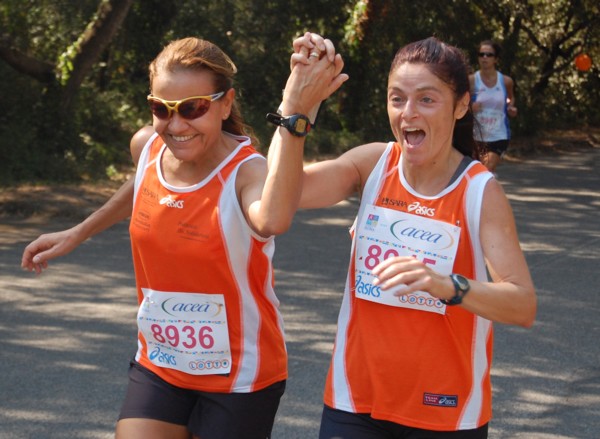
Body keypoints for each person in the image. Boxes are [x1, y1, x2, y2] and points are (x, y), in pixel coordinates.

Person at [21, 36, 346, 439]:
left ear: (225, 104)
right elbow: (141, 184)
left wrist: (294, 113)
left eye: (193, 109)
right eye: (162, 109)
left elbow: (273, 219)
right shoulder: (148, 147)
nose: (175, 126)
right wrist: (79, 231)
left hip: (239, 375)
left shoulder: (246, 172)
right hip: (161, 362)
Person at [281, 33, 536, 438]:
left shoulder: (478, 190)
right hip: (355, 399)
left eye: (427, 99)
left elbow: (522, 304)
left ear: (462, 105)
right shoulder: (373, 164)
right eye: (397, 98)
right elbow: (281, 196)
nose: (407, 113)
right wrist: (295, 111)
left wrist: (445, 285)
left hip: (445, 411)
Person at [469, 39, 517, 173]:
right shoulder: (471, 80)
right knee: (478, 172)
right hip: (476, 136)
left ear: (495, 59)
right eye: (481, 54)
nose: (484, 57)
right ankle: (486, 191)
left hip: (498, 135)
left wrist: (510, 108)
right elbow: (459, 103)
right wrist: (470, 107)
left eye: (489, 55)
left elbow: (510, 98)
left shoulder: (506, 81)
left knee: (485, 168)